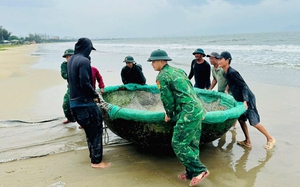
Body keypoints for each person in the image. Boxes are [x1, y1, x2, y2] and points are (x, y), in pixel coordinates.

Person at [148, 49, 209, 186]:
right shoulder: (178, 71)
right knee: (191, 143)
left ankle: (200, 170)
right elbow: (189, 89)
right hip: (198, 108)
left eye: (153, 61)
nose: (151, 64)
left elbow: (167, 99)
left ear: (162, 61)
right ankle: (190, 173)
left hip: (188, 112)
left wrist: (169, 114)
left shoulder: (162, 77)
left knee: (178, 143)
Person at [216, 51, 276, 149]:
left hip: (247, 98)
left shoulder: (233, 72)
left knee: (254, 122)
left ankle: (270, 138)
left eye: (220, 59)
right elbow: (231, 83)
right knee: (241, 120)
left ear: (227, 60)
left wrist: (245, 101)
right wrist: (227, 90)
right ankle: (247, 141)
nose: (218, 61)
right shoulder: (226, 72)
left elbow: (244, 86)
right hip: (239, 99)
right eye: (218, 59)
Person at [67, 37, 111, 168]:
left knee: (89, 131)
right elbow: (85, 83)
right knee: (96, 129)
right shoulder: (84, 61)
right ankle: (96, 162)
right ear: (86, 48)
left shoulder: (71, 61)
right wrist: (94, 95)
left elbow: (71, 82)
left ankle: (93, 156)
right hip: (85, 104)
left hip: (74, 103)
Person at [60, 48, 76, 124]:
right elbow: (64, 75)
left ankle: (82, 122)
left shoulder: (79, 63)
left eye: (70, 56)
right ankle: (70, 118)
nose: (68, 58)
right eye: (66, 57)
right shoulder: (64, 65)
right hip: (71, 87)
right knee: (66, 104)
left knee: (78, 106)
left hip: (81, 87)